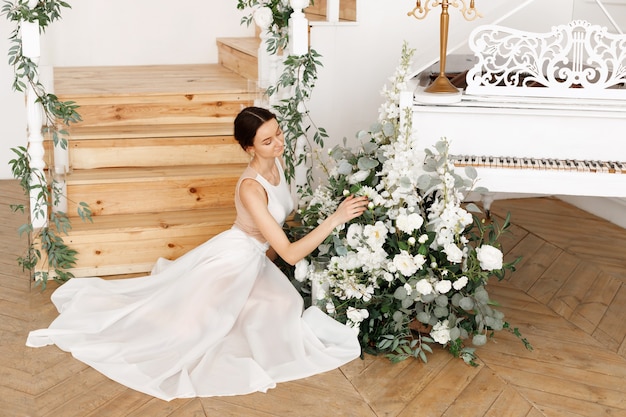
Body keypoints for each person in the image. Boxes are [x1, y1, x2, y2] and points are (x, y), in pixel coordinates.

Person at [26, 106, 369, 401]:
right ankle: (143, 322)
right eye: (268, 141)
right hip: (234, 259)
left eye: (278, 133)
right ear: (249, 148)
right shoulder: (251, 187)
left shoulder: (277, 164)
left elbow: (280, 225)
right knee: (190, 332)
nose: (279, 143)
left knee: (284, 306)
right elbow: (291, 254)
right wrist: (337, 218)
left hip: (255, 258)